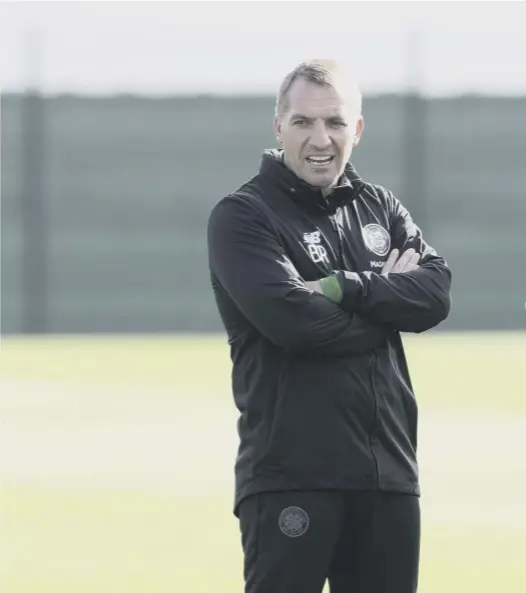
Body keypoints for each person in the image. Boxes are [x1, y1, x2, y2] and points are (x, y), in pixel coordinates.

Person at [206, 58, 452, 593]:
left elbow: (435, 294)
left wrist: (346, 288)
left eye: (335, 123)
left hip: (389, 476)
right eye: (303, 123)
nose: (321, 139)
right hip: (291, 478)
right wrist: (386, 309)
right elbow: (296, 324)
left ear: (357, 130)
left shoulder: (379, 207)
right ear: (279, 127)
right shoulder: (242, 216)